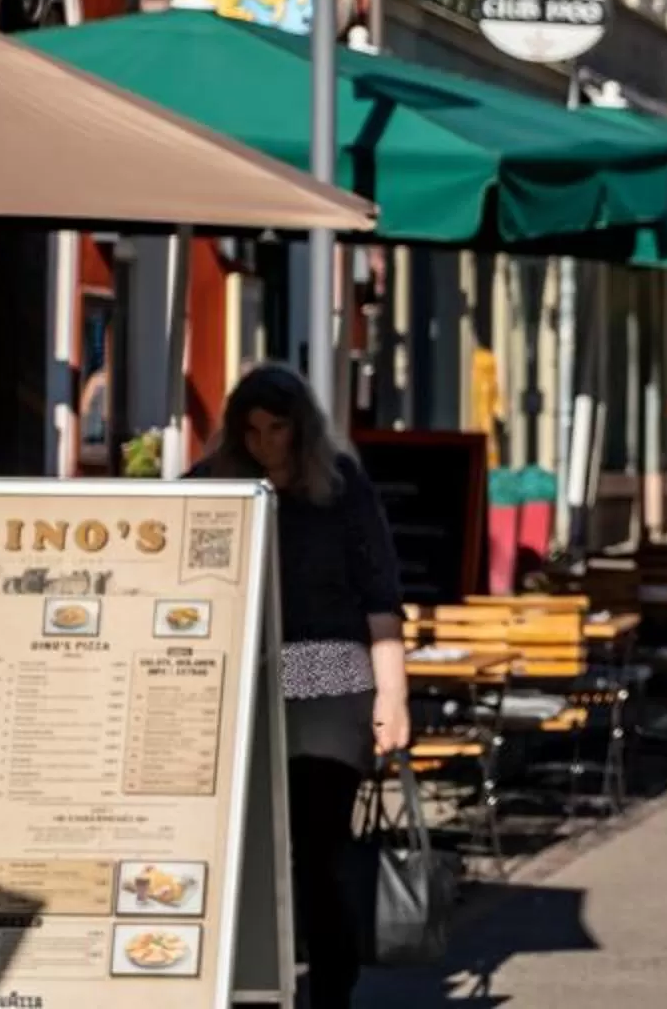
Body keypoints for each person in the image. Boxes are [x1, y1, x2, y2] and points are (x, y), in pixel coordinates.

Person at [193, 366, 404, 1009]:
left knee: (317, 843)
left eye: (277, 428)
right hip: (238, 681)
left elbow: (380, 595)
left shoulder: (341, 489)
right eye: (251, 430)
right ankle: (252, 981)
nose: (265, 443)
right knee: (244, 845)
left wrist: (392, 697)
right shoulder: (209, 488)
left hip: (330, 676)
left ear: (299, 427)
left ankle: (330, 988)